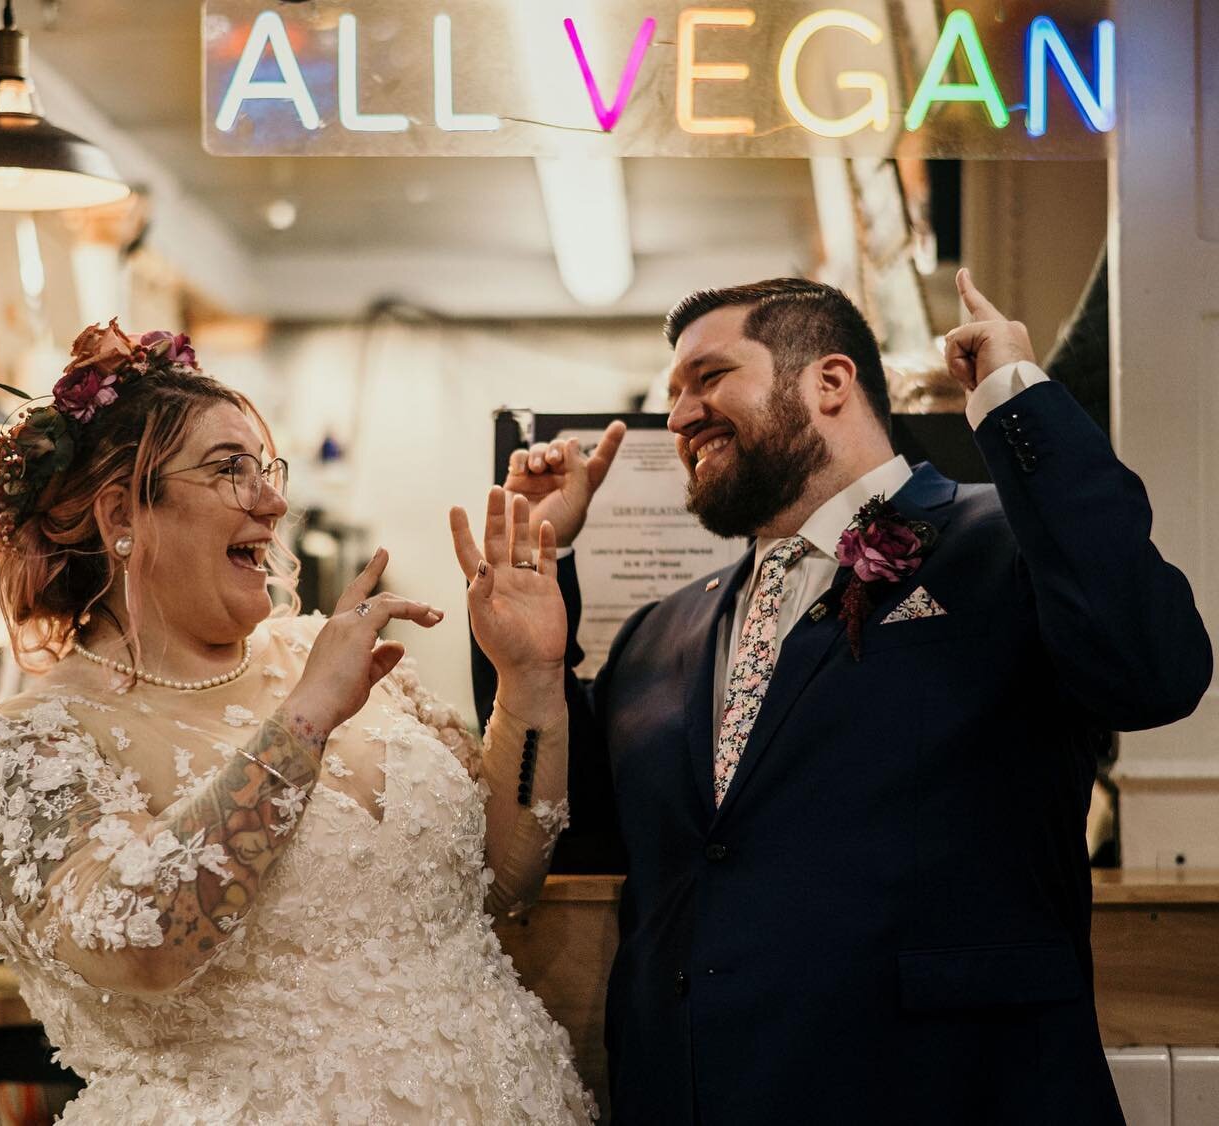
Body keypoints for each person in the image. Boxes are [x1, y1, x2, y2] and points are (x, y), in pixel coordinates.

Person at [494, 272, 1212, 1125]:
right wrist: (544, 576)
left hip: (948, 1091)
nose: (679, 416)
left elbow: (1153, 670)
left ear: (829, 381)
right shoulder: (660, 633)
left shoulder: (1004, 545)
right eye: (673, 392)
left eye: (710, 378)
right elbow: (561, 822)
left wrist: (1019, 402)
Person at [0, 319, 595, 1122]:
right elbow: (143, 943)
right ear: (122, 512)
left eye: (265, 470)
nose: (274, 501)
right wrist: (304, 721)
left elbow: (503, 880)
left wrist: (530, 677)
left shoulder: (316, 653)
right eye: (230, 471)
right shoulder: (39, 737)